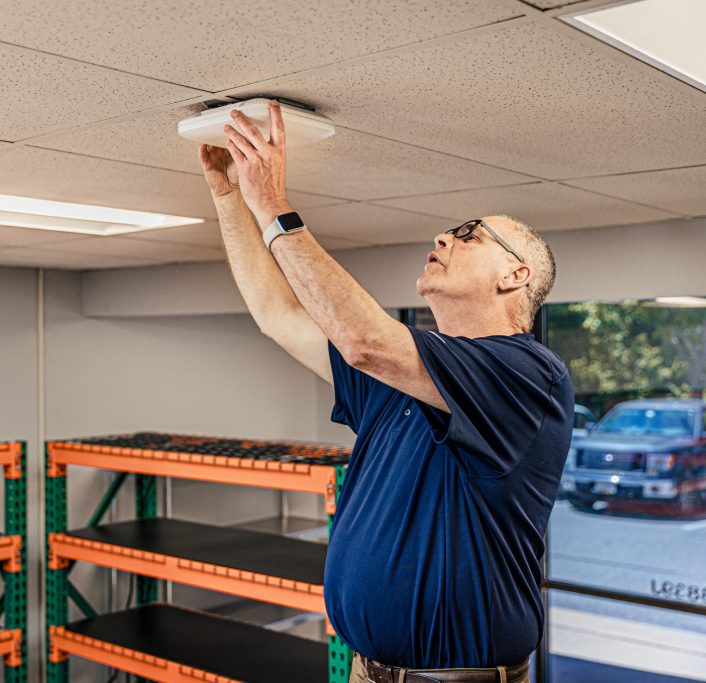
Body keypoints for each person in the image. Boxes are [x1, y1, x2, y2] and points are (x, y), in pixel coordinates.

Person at [198, 100, 573, 683]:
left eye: (470, 234)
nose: (443, 236)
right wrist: (230, 201)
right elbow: (277, 314)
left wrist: (271, 203)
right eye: (448, 231)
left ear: (514, 275)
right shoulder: (403, 379)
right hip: (365, 672)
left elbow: (363, 342)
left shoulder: (526, 375)